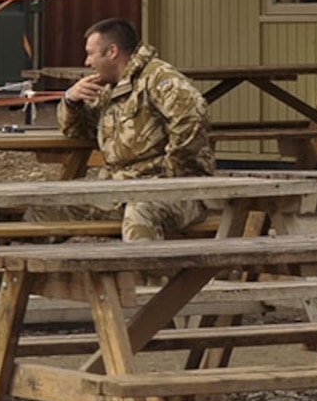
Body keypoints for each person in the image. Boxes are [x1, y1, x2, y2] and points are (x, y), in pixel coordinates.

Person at [55, 17, 214, 239]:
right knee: (49, 206)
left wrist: (173, 175)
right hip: (117, 189)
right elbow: (78, 131)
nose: (87, 61)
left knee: (140, 213)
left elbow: (192, 115)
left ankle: (144, 274)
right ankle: (18, 271)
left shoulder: (157, 77)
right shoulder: (110, 88)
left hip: (177, 192)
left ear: (112, 51)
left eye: (91, 53)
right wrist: (71, 100)